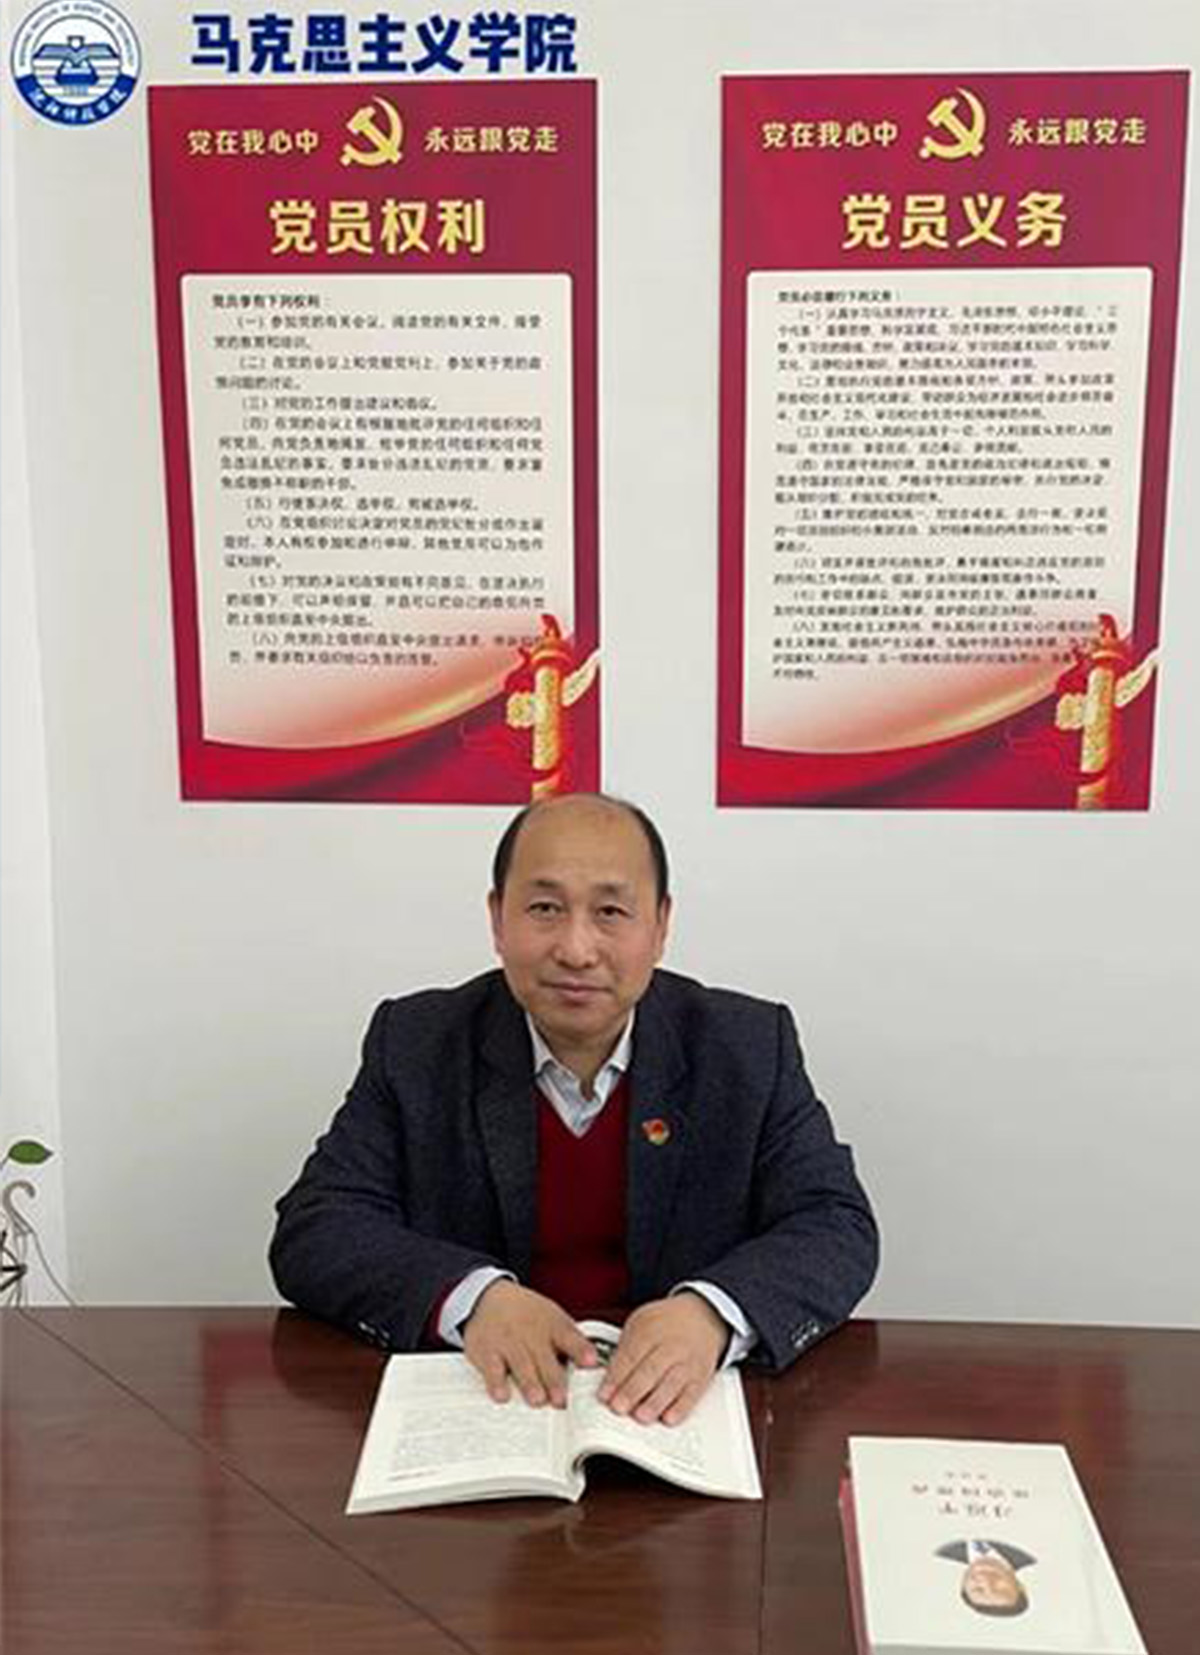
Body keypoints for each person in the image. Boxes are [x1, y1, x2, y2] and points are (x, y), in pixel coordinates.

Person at [270, 792, 877, 1427]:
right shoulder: (417, 1043)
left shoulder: (746, 1047)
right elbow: (318, 1226)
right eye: (544, 908)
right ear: (497, 919)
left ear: (661, 926)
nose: (577, 949)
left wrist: (712, 1313)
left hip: (673, 1417)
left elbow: (834, 1224)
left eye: (611, 911)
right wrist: (474, 1299)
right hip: (488, 1405)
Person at [935, 1540, 1036, 1616]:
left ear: (963, 1585)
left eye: (978, 1589)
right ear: (1019, 1586)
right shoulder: (1030, 1548)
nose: (987, 1581)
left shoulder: (942, 1548)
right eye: (999, 1589)